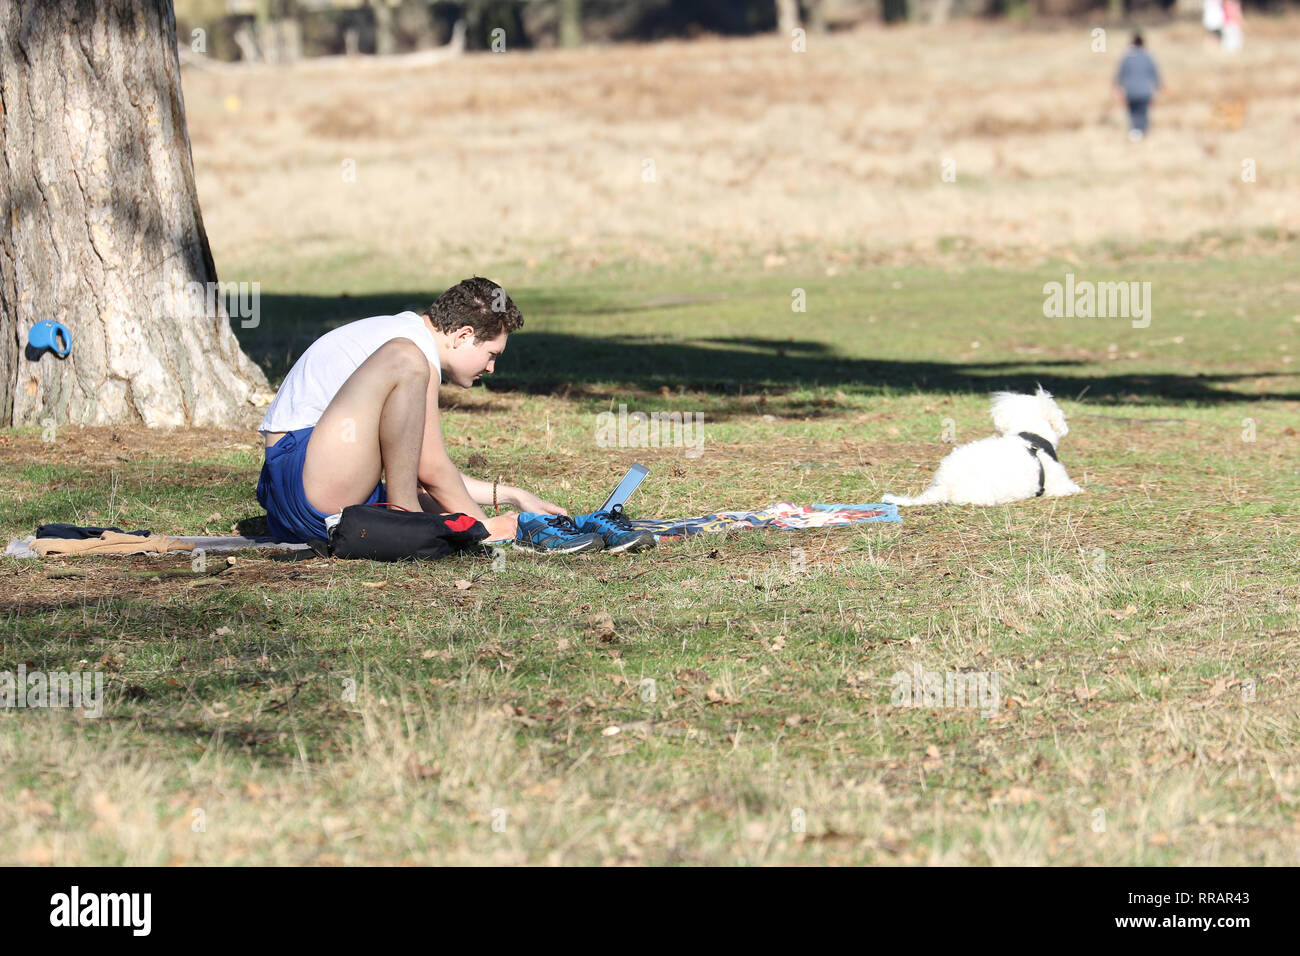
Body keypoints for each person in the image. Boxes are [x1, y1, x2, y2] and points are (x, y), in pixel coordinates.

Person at [256, 277, 630, 553]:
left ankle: (420, 517)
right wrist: (485, 527)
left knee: (435, 494)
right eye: (492, 355)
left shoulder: (410, 337)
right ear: (464, 335)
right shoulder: (413, 350)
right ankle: (407, 516)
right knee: (405, 359)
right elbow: (431, 469)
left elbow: (425, 469)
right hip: (304, 481)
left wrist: (512, 496)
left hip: (306, 486)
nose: (491, 369)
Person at [1114, 33, 1161, 141]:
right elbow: (1155, 75)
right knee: (1143, 113)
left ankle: (1135, 132)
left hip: (1131, 91)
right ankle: (1142, 132)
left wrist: (1118, 91)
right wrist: (1158, 89)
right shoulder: (1148, 56)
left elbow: (1119, 77)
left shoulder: (1126, 57)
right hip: (1145, 91)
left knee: (1133, 113)